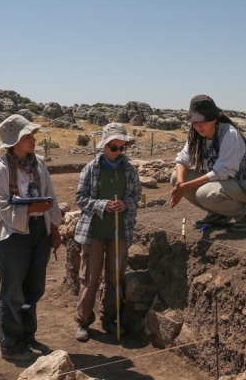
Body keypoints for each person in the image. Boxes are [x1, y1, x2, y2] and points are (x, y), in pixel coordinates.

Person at [0, 114, 62, 362]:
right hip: (12, 237)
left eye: (32, 135)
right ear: (15, 141)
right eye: (27, 137)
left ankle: (27, 337)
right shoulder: (1, 170)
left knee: (33, 289)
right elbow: (3, 208)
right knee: (12, 293)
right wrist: (32, 209)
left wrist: (54, 229)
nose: (33, 140)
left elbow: (50, 196)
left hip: (38, 234)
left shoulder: (39, 164)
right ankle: (11, 345)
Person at [73, 123, 142, 342]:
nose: (119, 152)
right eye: (114, 148)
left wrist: (126, 204)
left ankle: (109, 319)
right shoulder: (91, 168)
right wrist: (102, 205)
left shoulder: (129, 170)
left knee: (115, 278)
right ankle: (83, 321)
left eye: (122, 148)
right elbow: (80, 198)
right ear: (104, 146)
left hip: (119, 232)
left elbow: (136, 196)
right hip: (94, 232)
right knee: (90, 278)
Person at [169, 95, 246, 232]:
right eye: (195, 122)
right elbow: (182, 160)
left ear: (214, 119)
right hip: (224, 182)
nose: (199, 125)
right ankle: (218, 214)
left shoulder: (229, 134)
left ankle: (245, 213)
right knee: (175, 177)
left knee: (205, 194)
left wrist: (186, 186)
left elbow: (223, 171)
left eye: (202, 120)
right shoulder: (196, 135)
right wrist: (180, 184)